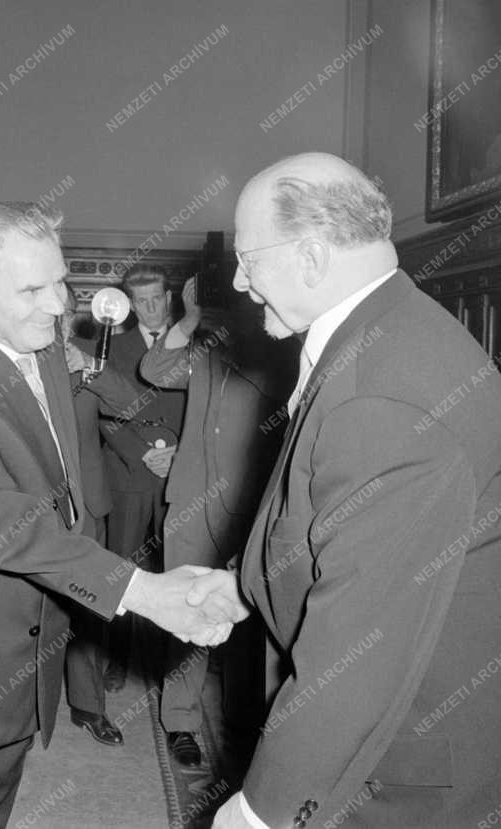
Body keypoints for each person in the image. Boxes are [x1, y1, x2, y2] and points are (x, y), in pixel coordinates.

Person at [0, 202, 246, 827]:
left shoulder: (37, 341)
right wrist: (143, 591)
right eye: (32, 289)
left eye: (61, 282)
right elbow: (3, 523)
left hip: (25, 636)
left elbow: (61, 484)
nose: (57, 303)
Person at [189, 153, 501, 828]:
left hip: (396, 771)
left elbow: (357, 651)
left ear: (309, 257)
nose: (240, 282)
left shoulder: (382, 395)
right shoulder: (389, 331)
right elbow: (342, 533)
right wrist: (247, 585)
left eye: (248, 260)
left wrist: (261, 812)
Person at [140, 276, 293, 767]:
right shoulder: (204, 349)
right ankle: (180, 721)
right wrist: (189, 322)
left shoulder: (281, 349)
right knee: (186, 610)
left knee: (248, 622)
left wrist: (238, 331)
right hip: (189, 503)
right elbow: (154, 369)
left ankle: (245, 727)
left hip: (249, 508)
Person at [99, 264, 186, 698]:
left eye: (157, 299)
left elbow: (206, 410)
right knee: (122, 573)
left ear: (169, 298)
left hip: (179, 475)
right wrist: (142, 453)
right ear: (130, 305)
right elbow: (102, 415)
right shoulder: (112, 347)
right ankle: (116, 658)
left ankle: (173, 664)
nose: (151, 309)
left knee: (178, 569)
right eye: (142, 301)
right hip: (130, 474)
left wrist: (180, 454)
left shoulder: (192, 344)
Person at [61, 288, 143, 747]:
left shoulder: (86, 355)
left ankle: (88, 706)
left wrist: (89, 366)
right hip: (28, 505)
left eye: (62, 313)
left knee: (90, 607)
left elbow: (130, 404)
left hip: (87, 506)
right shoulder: (8, 357)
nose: (54, 321)